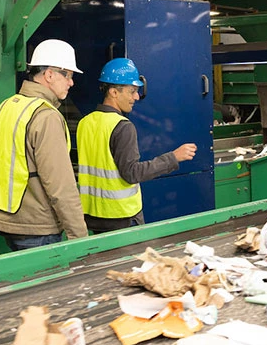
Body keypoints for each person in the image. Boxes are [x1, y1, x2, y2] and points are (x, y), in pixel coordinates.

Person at [0, 39, 88, 251]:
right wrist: (80, 237)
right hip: (37, 226)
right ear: (50, 74)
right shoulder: (45, 116)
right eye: (68, 75)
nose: (72, 82)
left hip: (8, 220)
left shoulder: (8, 106)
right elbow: (60, 185)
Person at [77, 58, 197, 233]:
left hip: (93, 217)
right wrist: (173, 157)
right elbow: (132, 173)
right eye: (132, 91)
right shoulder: (122, 126)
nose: (137, 97)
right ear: (113, 92)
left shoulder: (85, 123)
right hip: (122, 217)